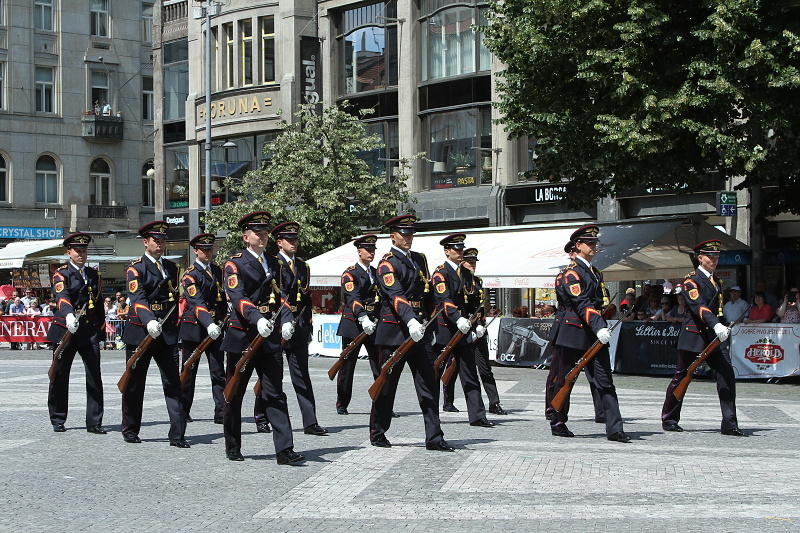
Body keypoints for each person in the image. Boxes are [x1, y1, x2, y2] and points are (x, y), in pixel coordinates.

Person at [220, 211, 303, 464]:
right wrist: (257, 318)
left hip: (269, 338)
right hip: (244, 336)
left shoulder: (274, 262)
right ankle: (233, 445)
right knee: (235, 393)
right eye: (258, 233)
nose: (263, 236)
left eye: (265, 232)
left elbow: (281, 296)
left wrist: (287, 320)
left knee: (275, 392)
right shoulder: (233, 264)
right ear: (246, 237)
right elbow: (238, 297)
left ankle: (284, 449)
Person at [370, 214, 453, 451]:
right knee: (386, 385)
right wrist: (411, 322)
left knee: (429, 383)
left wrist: (432, 326)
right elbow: (396, 295)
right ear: (393, 236)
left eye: (411, 233)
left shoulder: (419, 259)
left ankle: (434, 436)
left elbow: (427, 294)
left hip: (420, 330)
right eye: (404, 234)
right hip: (396, 331)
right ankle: (378, 430)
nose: (408, 238)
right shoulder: (387, 264)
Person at [551, 225, 630, 442]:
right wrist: (599, 326)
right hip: (574, 333)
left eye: (595, 242)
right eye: (589, 242)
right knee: (565, 380)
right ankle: (558, 421)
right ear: (578, 246)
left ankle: (615, 428)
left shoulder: (595, 273)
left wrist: (600, 325)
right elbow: (582, 303)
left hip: (594, 334)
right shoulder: (571, 274)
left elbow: (596, 303)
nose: (594, 245)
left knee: (605, 381)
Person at [661, 239, 748, 436]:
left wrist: (721, 325)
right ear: (700, 258)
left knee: (726, 375)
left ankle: (729, 423)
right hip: (694, 334)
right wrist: (716, 324)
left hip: (713, 337)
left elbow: (716, 310)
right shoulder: (691, 281)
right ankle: (669, 418)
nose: (714, 259)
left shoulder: (716, 281)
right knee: (682, 376)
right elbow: (698, 306)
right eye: (711, 256)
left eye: (717, 256)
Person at [120, 221, 189, 448]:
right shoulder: (135, 268)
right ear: (145, 242)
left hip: (166, 333)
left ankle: (178, 434)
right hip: (142, 332)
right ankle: (130, 429)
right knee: (134, 383)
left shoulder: (172, 268)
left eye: (162, 241)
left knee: (173, 383)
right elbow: (137, 298)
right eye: (155, 241)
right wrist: (149, 320)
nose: (160, 245)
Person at [268, 221, 327, 436]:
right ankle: (262, 416)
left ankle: (310, 421)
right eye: (289, 240)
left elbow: (307, 299)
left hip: (299, 327)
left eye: (295, 239)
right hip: (278, 326)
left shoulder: (303, 266)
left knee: (302, 375)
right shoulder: (273, 264)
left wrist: (308, 326)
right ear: (279, 242)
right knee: (271, 376)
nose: (293, 243)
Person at [46, 232, 106, 434]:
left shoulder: (93, 274)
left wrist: (101, 331)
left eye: (84, 250)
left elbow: (98, 305)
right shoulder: (61, 274)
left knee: (94, 375)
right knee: (60, 375)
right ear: (68, 252)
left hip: (88, 330)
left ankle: (94, 421)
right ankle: (58, 418)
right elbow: (62, 296)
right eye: (77, 251)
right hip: (66, 329)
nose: (81, 254)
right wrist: (69, 315)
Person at [432, 234, 493, 427]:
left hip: (464, 329)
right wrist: (458, 319)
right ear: (447, 251)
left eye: (461, 249)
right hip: (445, 329)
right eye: (456, 249)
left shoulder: (467, 275)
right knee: (435, 371)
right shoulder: (440, 273)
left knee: (470, 373)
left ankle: (477, 415)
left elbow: (472, 303)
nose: (460, 253)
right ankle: (432, 412)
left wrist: (476, 325)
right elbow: (445, 300)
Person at [179, 233, 227, 425]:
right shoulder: (190, 274)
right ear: (196, 251)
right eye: (204, 250)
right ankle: (183, 409)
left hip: (215, 327)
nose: (208, 253)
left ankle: (221, 411)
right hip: (195, 328)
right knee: (189, 371)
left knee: (218, 371)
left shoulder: (218, 271)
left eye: (210, 249)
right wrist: (210, 323)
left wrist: (223, 319)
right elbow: (196, 301)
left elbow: (222, 299)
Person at [334, 235, 381, 415]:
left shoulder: (377, 272)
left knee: (379, 364)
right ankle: (342, 403)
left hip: (374, 322)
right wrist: (362, 317)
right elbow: (353, 298)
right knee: (347, 365)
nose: (371, 252)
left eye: (373, 249)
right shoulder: (350, 273)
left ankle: (381, 400)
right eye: (368, 249)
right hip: (354, 323)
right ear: (359, 251)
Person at [462, 248, 507, 415]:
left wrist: (481, 324)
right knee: (453, 370)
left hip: (478, 330)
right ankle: (447, 399)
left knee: (485, 368)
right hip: (462, 330)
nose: (472, 265)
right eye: (469, 262)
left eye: (474, 262)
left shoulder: (478, 282)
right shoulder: (459, 282)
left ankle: (494, 402)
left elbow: (480, 308)